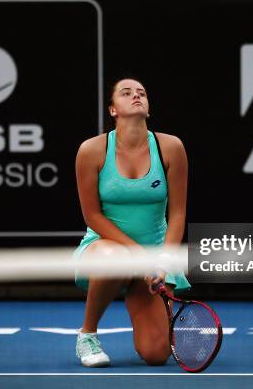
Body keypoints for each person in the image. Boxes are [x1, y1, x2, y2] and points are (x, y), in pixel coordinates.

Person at [73, 77, 191, 367]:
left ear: (148, 108)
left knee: (156, 354)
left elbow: (177, 214)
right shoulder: (91, 150)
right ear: (113, 109)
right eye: (126, 93)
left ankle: (152, 316)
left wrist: (162, 262)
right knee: (117, 256)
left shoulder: (171, 147)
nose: (136, 96)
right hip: (105, 250)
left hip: (155, 255)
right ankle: (87, 334)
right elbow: (92, 216)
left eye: (142, 93)